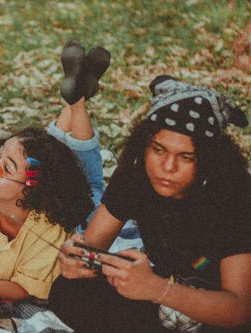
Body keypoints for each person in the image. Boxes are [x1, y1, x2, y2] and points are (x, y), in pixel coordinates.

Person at [49, 75, 250, 332]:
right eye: (158, 150)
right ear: (143, 147)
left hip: (218, 311)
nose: (168, 167)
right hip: (162, 298)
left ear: (209, 160)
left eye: (186, 157)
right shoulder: (136, 176)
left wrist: (157, 289)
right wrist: (75, 259)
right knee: (69, 291)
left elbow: (239, 309)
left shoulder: (235, 195)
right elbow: (92, 246)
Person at [0, 41, 114, 301]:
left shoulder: (52, 224)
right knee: (48, 152)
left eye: (5, 167)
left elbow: (23, 288)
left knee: (92, 177)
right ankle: (78, 94)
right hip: (49, 179)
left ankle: (78, 100)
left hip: (86, 203)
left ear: (30, 189)